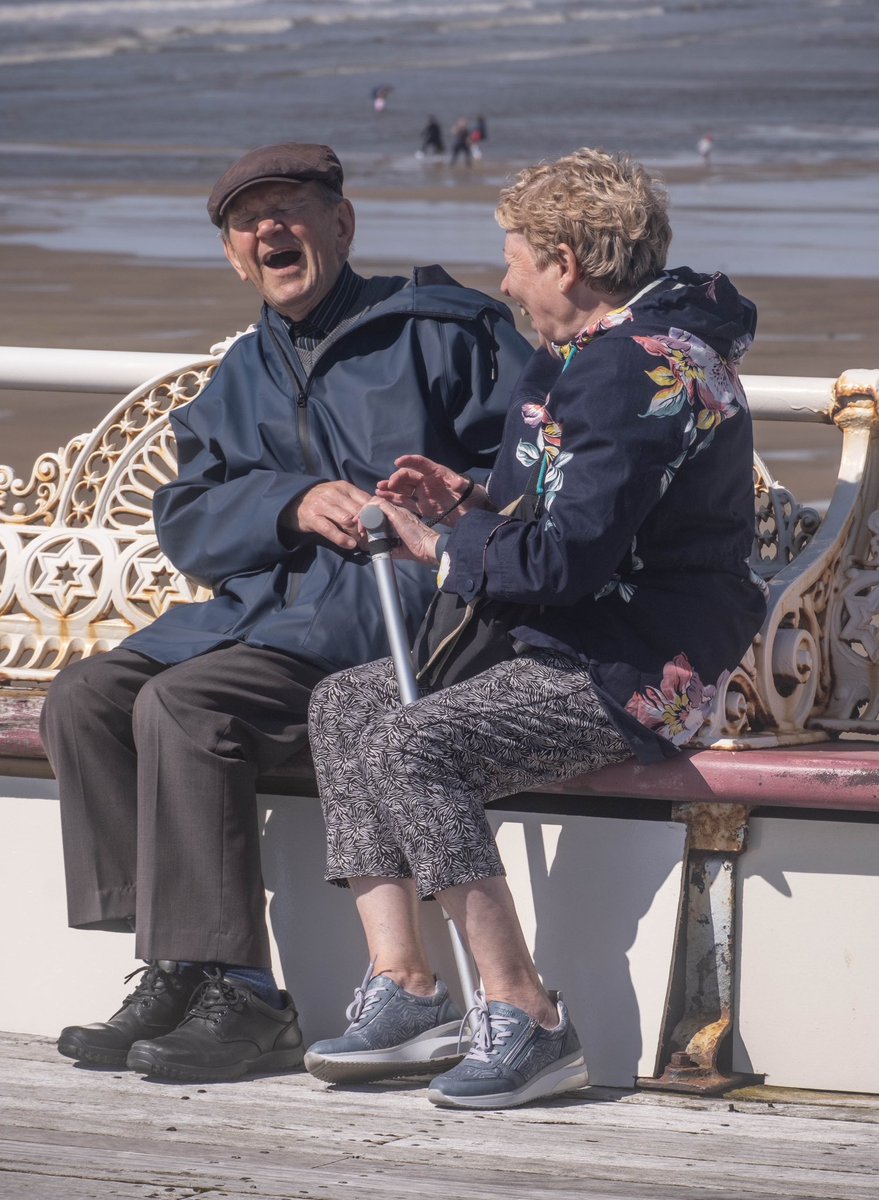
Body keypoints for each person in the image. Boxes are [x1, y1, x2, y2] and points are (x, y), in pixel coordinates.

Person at [41, 141, 531, 1083]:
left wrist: (437, 502)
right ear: (232, 253)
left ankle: (247, 995)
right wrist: (288, 502)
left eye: (291, 209)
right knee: (86, 696)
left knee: (186, 707)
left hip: (394, 615)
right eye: (245, 221)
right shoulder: (240, 374)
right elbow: (186, 522)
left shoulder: (442, 329)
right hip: (262, 612)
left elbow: (523, 471)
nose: (269, 230)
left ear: (341, 225)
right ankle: (180, 963)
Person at [302, 147, 767, 1109]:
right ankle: (408, 988)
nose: (504, 279)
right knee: (345, 705)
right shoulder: (598, 359)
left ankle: (525, 1018)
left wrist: (436, 546)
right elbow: (564, 513)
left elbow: (564, 563)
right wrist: (470, 496)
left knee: (409, 743)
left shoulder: (632, 371)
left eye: (513, 257)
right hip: (571, 643)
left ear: (564, 260)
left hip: (639, 668)